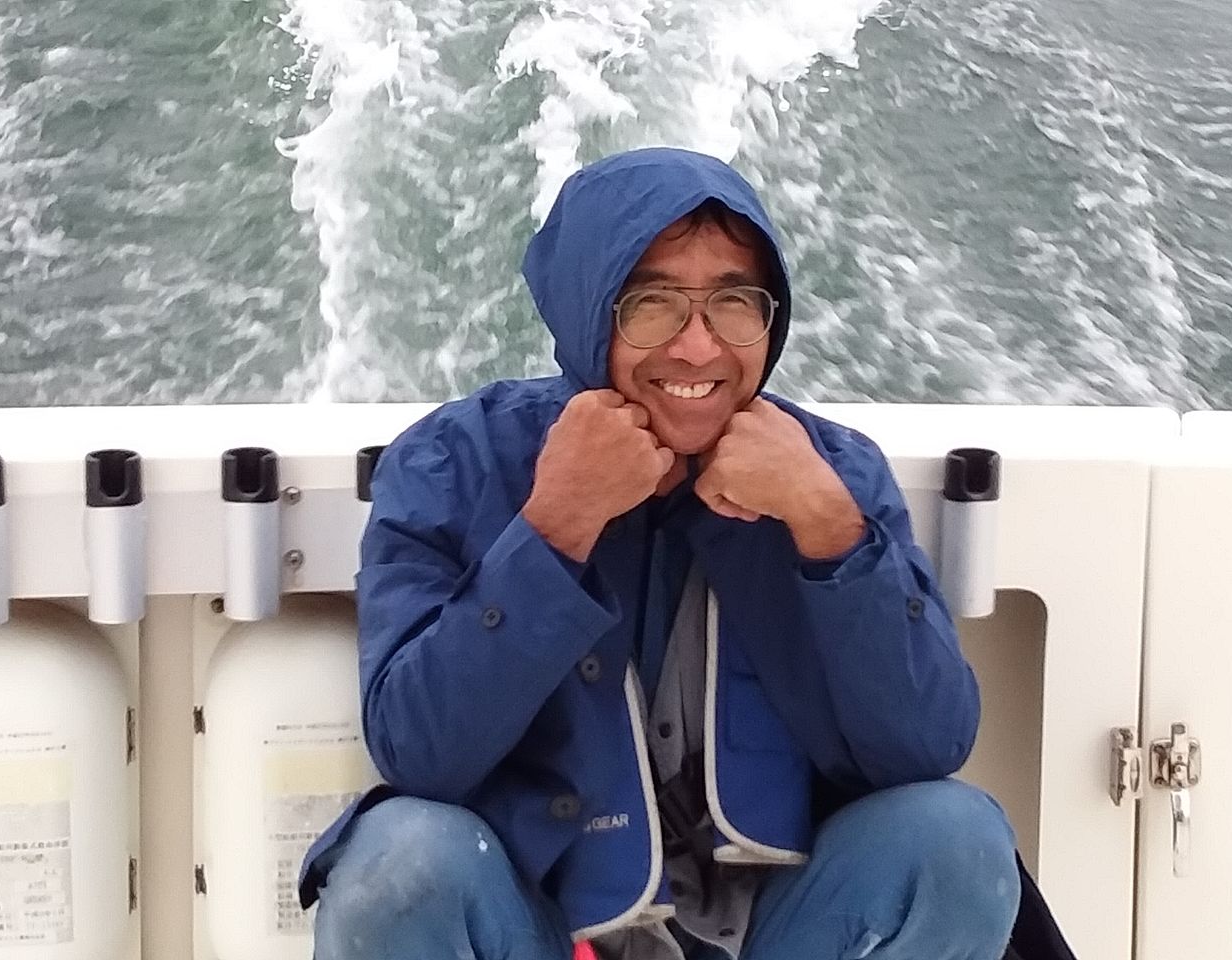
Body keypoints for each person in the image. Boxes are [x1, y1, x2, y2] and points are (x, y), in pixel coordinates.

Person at [298, 147, 1074, 960]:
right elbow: (419, 754)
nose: (699, 348)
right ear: (586, 310)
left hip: (780, 929)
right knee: (400, 862)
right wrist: (556, 524)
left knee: (956, 837)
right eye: (652, 304)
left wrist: (825, 525)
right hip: (541, 928)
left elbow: (927, 747)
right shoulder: (451, 463)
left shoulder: (833, 473)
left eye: (733, 303)